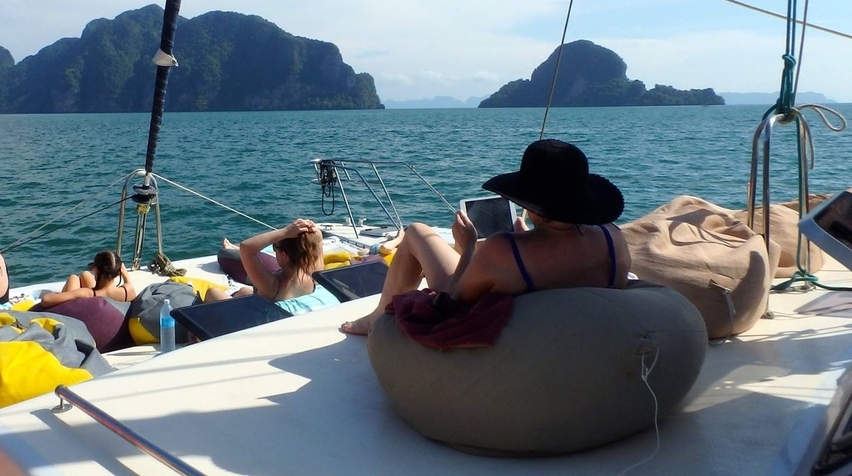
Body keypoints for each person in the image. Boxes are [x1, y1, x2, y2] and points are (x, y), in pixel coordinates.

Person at [340, 139, 630, 336]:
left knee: (416, 232)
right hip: (569, 327)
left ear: (532, 204)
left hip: (511, 328)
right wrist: (529, 238)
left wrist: (467, 248)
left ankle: (375, 319)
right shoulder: (613, 238)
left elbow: (452, 301)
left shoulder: (504, 250)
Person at [205, 218, 339, 315]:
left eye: (275, 248)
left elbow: (246, 248)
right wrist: (316, 234)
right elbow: (318, 245)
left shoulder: (273, 285)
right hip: (276, 302)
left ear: (284, 255)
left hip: (262, 314)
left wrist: (286, 232)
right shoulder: (314, 275)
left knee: (212, 292)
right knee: (245, 291)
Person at [37, 250, 136, 308]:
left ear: (96, 270)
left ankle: (63, 295)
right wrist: (125, 276)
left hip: (73, 312)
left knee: (73, 278)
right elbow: (128, 285)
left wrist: (58, 295)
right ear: (119, 271)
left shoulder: (85, 293)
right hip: (106, 297)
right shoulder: (128, 291)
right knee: (85, 274)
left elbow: (45, 300)